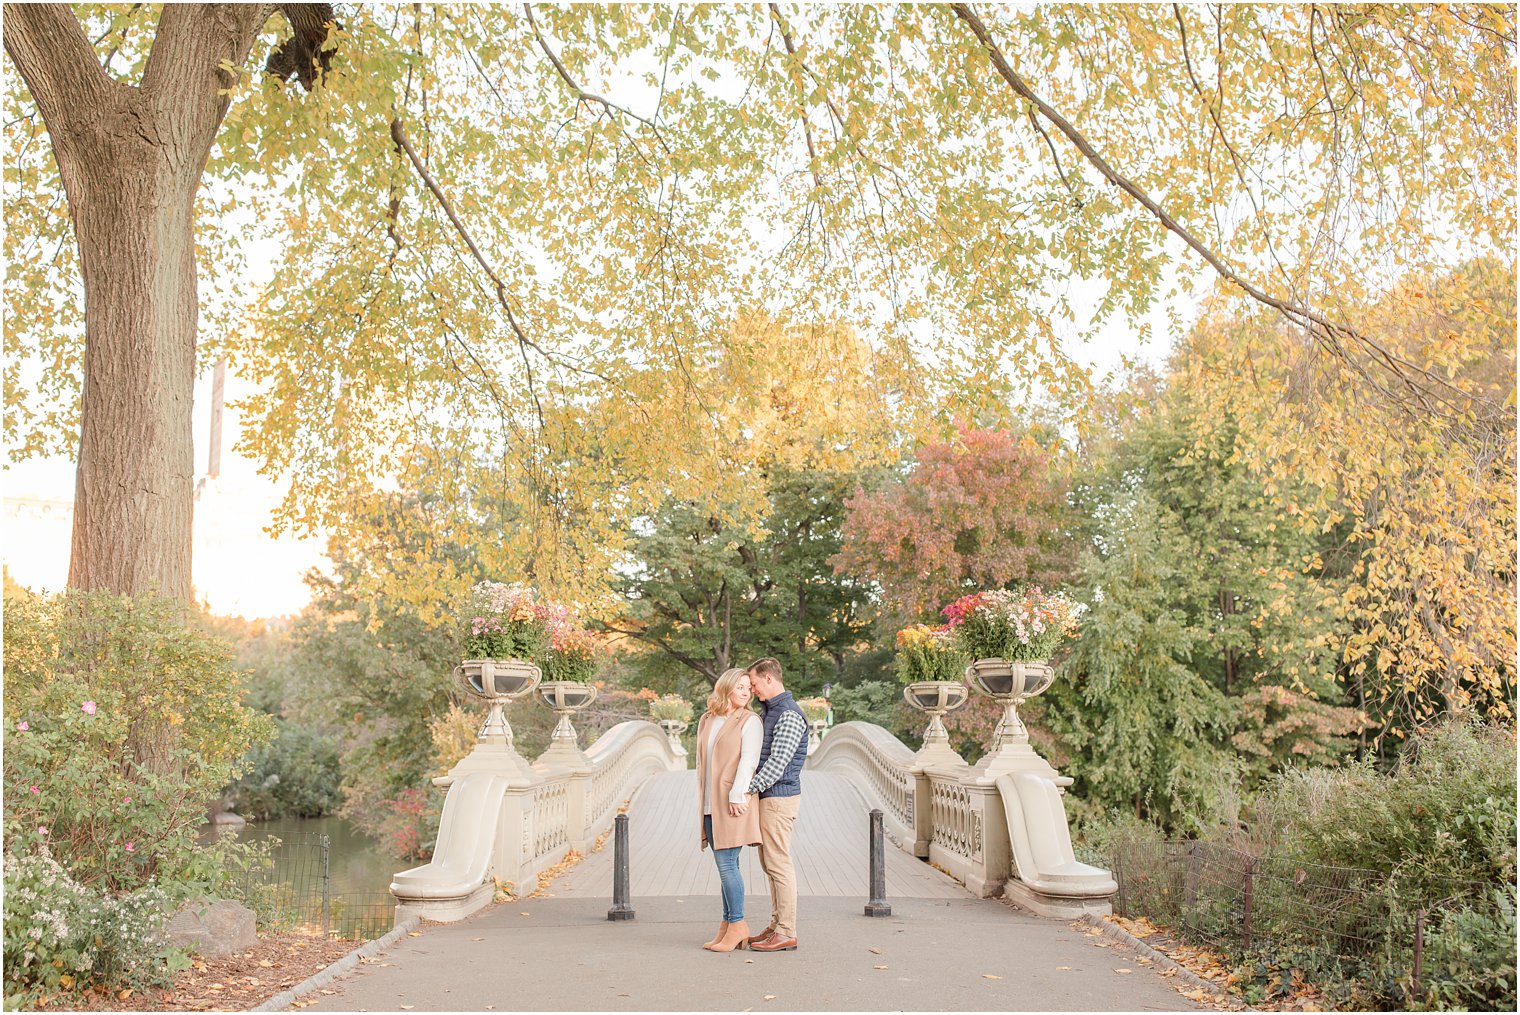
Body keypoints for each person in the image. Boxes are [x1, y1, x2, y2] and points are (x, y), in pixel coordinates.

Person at [695, 666, 763, 952]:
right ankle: (727, 926)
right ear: (726, 688)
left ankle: (738, 924)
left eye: (749, 687)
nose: (746, 692)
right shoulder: (707, 719)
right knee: (726, 866)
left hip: (734, 802)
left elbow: (749, 761)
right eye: (740, 687)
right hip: (710, 803)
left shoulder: (750, 720)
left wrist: (738, 795)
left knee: (727, 865)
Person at [743, 656, 808, 953]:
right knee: (770, 864)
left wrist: (746, 791)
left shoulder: (789, 715)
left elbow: (777, 765)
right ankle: (776, 925)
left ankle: (786, 930)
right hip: (771, 798)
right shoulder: (771, 711)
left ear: (769, 678)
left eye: (754, 683)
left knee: (779, 864)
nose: (753, 689)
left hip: (779, 799)